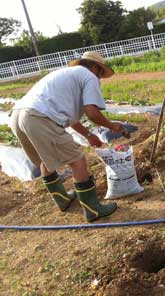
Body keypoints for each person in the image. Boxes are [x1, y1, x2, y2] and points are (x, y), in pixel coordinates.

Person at [9, 51, 124, 222]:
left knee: (45, 160)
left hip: (18, 116)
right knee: (77, 161)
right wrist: (112, 126)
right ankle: (92, 209)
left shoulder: (68, 74)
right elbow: (92, 112)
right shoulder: (89, 76)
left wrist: (88, 135)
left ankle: (62, 199)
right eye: (101, 74)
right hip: (39, 117)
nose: (99, 79)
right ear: (95, 68)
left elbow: (69, 117)